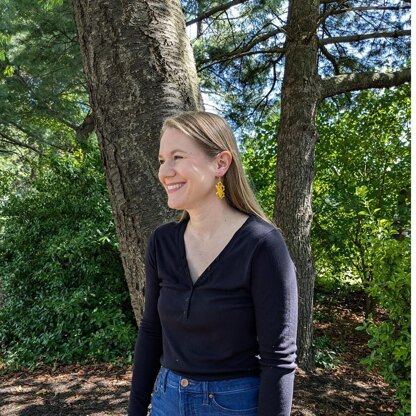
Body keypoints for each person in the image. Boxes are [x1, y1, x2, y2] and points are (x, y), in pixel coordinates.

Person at [128, 111, 298, 416]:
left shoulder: (261, 245)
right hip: (167, 400)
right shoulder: (163, 242)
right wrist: (136, 409)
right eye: (162, 160)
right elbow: (151, 330)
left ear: (220, 163)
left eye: (177, 157)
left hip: (234, 405)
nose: (165, 171)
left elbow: (279, 360)